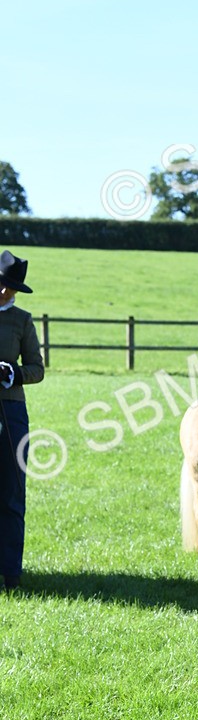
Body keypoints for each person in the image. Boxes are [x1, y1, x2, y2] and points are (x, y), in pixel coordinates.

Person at [0, 250, 44, 591]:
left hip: (11, 411)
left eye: (11, 288)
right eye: (2, 285)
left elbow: (37, 369)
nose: (5, 293)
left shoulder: (22, 320)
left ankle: (12, 573)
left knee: (13, 491)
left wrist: (12, 372)